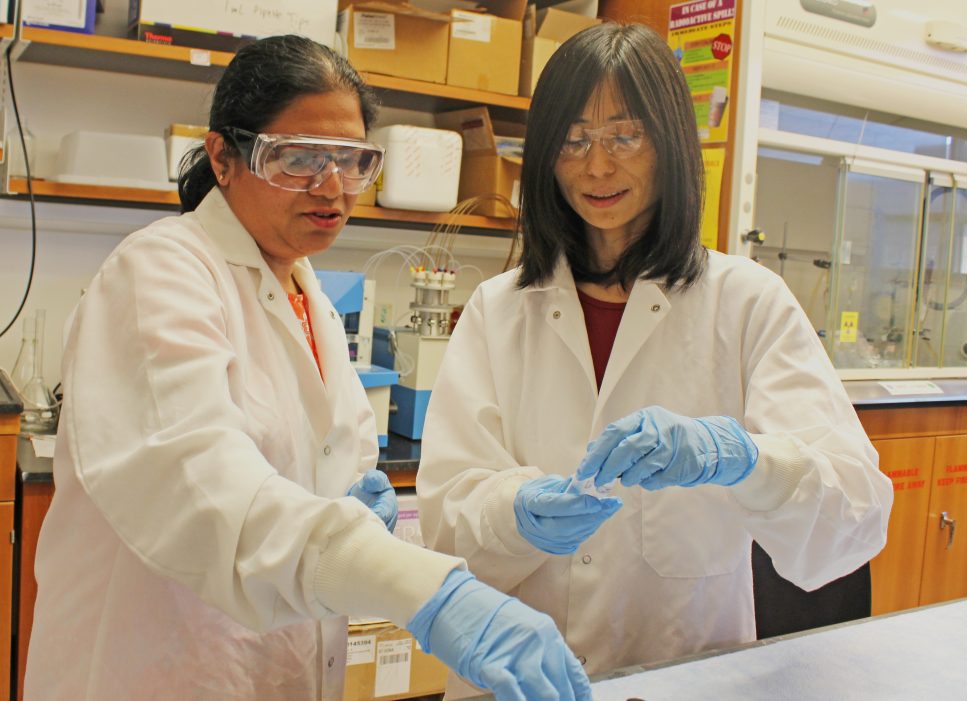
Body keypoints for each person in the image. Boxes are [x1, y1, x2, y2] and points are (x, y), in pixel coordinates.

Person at [24, 35, 590, 701]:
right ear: (224, 156)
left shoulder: (308, 292)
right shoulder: (158, 273)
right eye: (297, 159)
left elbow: (306, 472)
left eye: (353, 161)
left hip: (281, 668)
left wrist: (347, 507)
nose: (331, 187)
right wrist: (425, 589)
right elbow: (205, 486)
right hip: (157, 670)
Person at [416, 22, 894, 697]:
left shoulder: (747, 302)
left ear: (669, 143)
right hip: (519, 681)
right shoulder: (498, 310)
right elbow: (445, 523)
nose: (597, 166)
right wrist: (514, 512)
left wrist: (748, 460)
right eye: (574, 139)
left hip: (686, 674)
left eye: (625, 135)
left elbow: (856, 517)